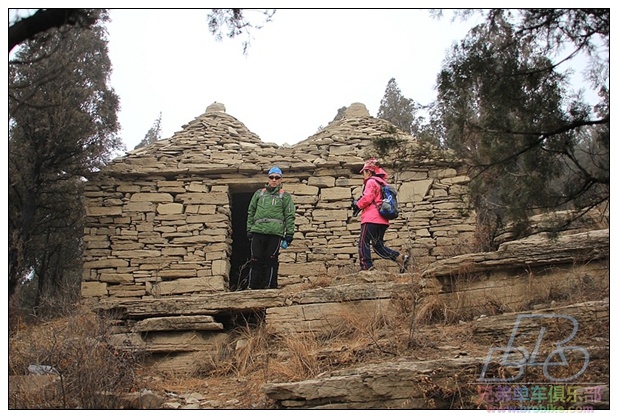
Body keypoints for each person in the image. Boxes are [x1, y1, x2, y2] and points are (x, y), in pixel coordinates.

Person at [352, 158, 409, 273]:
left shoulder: (371, 182)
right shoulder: (383, 184)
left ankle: (366, 267)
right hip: (382, 220)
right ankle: (399, 257)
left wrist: (357, 204)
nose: (363, 175)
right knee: (378, 246)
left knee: (363, 242)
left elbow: (368, 198)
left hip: (371, 219)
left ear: (368, 171)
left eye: (364, 172)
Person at [246, 167, 296, 289]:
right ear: (268, 178)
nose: (274, 180)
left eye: (277, 177)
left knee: (271, 258)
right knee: (255, 258)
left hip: (275, 232)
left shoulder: (285, 196)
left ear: (281, 179)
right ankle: (252, 286)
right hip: (258, 230)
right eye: (271, 177)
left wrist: (289, 233)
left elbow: (290, 215)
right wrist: (249, 229)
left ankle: (269, 286)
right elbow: (251, 211)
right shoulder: (259, 193)